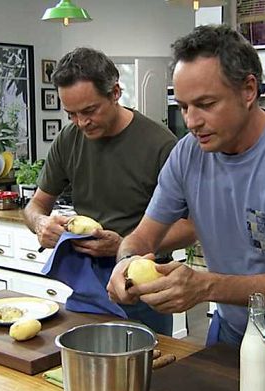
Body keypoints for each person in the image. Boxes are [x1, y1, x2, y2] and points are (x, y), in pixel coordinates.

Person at [107, 25, 265, 373]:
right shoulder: (187, 154)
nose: (191, 121)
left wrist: (205, 286)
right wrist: (125, 263)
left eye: (206, 104)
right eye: (184, 106)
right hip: (230, 334)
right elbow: (143, 237)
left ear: (248, 90)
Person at [23, 47, 193, 336]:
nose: (81, 122)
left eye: (89, 111)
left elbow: (191, 228)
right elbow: (35, 205)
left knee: (147, 372)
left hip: (139, 280)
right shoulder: (69, 139)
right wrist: (41, 223)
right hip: (85, 279)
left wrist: (125, 246)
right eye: (71, 114)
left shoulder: (160, 145)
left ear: (115, 92)